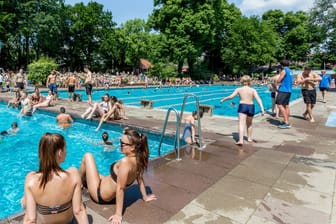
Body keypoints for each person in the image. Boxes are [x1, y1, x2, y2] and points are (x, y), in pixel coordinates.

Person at [79, 127, 157, 224]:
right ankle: (82, 181)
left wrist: (118, 214)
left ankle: (79, 183)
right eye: (120, 141)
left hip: (99, 194)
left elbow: (120, 188)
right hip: (104, 185)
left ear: (132, 147)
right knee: (94, 173)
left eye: (122, 143)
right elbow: (140, 179)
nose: (120, 145)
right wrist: (145, 197)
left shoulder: (125, 162)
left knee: (87, 156)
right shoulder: (139, 159)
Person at [22, 133, 88, 224]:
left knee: (25, 202)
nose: (66, 152)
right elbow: (78, 211)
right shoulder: (73, 174)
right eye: (65, 149)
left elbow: (31, 219)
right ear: (60, 153)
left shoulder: (31, 179)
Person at [220, 75, 264, 146]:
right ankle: (249, 138)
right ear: (249, 81)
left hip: (243, 106)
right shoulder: (253, 90)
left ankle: (241, 140)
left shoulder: (239, 89)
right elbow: (258, 99)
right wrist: (262, 108)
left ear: (241, 81)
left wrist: (223, 99)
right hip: (251, 106)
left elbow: (231, 96)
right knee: (249, 124)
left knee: (241, 124)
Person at [275, 60, 293, 129]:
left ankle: (286, 122)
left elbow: (279, 80)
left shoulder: (284, 71)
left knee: (279, 105)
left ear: (281, 65)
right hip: (288, 90)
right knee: (286, 106)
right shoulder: (290, 71)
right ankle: (286, 121)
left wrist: (278, 85)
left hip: (283, 90)